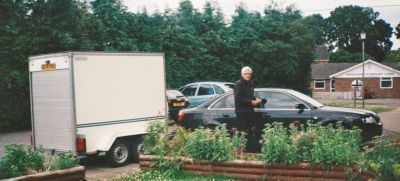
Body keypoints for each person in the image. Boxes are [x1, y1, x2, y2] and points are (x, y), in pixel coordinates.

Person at [234, 66, 261, 152]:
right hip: (241, 112)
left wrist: (256, 99)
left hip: (249, 111)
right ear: (242, 74)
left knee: (250, 132)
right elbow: (237, 98)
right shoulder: (238, 84)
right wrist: (251, 102)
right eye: (246, 74)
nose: (248, 75)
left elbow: (249, 95)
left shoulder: (250, 83)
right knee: (242, 132)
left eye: (249, 74)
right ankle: (240, 151)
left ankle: (248, 151)